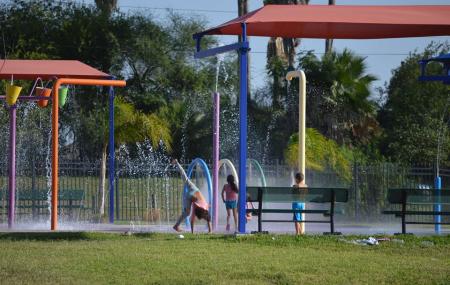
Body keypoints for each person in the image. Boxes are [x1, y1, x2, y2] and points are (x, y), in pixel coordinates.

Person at [172, 159, 212, 233]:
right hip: (191, 195)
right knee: (187, 213)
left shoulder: (205, 208)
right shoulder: (198, 208)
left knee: (185, 178)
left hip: (194, 191)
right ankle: (176, 226)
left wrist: (193, 232)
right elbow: (194, 220)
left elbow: (195, 220)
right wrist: (193, 232)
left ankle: (177, 163)